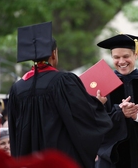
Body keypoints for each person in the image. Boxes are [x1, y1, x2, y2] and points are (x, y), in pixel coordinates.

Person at [7, 21, 113, 168]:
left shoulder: (17, 89)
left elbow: (14, 133)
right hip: (59, 161)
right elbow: (83, 117)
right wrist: (97, 104)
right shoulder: (63, 81)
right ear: (53, 53)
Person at [95, 34, 138, 168]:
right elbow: (96, 122)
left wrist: (136, 116)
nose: (121, 61)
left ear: (135, 55)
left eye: (126, 56)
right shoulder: (104, 84)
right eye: (116, 57)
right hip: (114, 157)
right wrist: (99, 106)